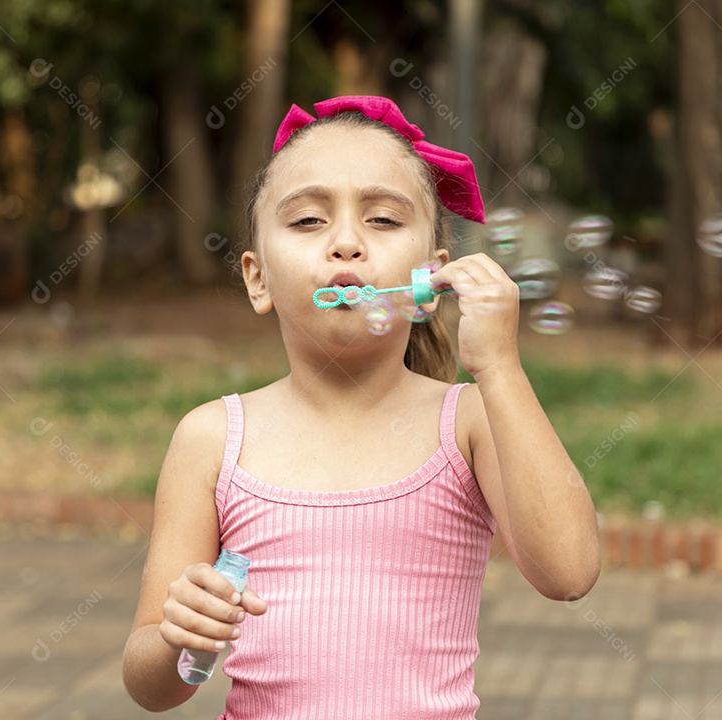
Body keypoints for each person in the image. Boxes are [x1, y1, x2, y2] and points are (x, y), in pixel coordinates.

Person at [122, 96, 601, 719]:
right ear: (258, 278)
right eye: (307, 220)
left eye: (382, 219)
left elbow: (569, 572)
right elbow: (149, 686)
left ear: (431, 280)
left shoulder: (468, 422)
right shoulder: (212, 438)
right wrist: (176, 637)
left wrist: (500, 368)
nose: (347, 243)